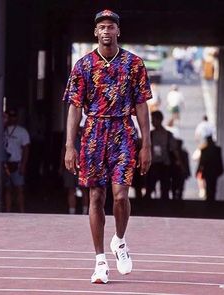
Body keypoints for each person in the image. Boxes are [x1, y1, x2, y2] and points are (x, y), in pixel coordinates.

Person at [62, 10, 152, 284]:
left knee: (121, 195)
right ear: (95, 32)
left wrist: (146, 144)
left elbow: (142, 105)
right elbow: (75, 107)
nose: (106, 31)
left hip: (123, 131)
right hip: (93, 133)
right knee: (96, 198)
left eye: (111, 27)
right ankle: (100, 261)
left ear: (118, 32)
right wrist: (70, 145)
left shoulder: (133, 64)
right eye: (101, 27)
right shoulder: (83, 65)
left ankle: (120, 241)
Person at [145, 111, 179, 200]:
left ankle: (164, 206)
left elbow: (174, 149)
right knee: (150, 186)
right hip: (153, 164)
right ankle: (147, 205)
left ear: (160, 120)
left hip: (165, 164)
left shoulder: (168, 135)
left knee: (165, 188)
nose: (152, 122)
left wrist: (179, 162)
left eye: (153, 120)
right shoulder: (150, 134)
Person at [3, 109, 30, 212]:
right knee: (7, 189)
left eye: (14, 116)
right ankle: (8, 211)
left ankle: (21, 211)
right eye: (10, 116)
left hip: (17, 163)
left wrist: (23, 165)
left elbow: (26, 149)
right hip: (5, 164)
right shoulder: (2, 130)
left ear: (17, 118)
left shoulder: (22, 131)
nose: (12, 119)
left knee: (19, 189)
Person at [59, 128, 89, 214]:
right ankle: (72, 212)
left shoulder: (88, 130)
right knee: (71, 189)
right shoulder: (69, 134)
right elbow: (64, 150)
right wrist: (61, 165)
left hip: (84, 166)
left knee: (84, 190)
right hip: (70, 165)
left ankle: (85, 212)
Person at [196, 135, 224, 202]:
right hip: (214, 170)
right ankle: (211, 198)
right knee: (213, 185)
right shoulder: (217, 149)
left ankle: (209, 198)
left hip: (208, 170)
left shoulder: (205, 150)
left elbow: (202, 162)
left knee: (209, 185)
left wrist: (198, 170)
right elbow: (219, 160)